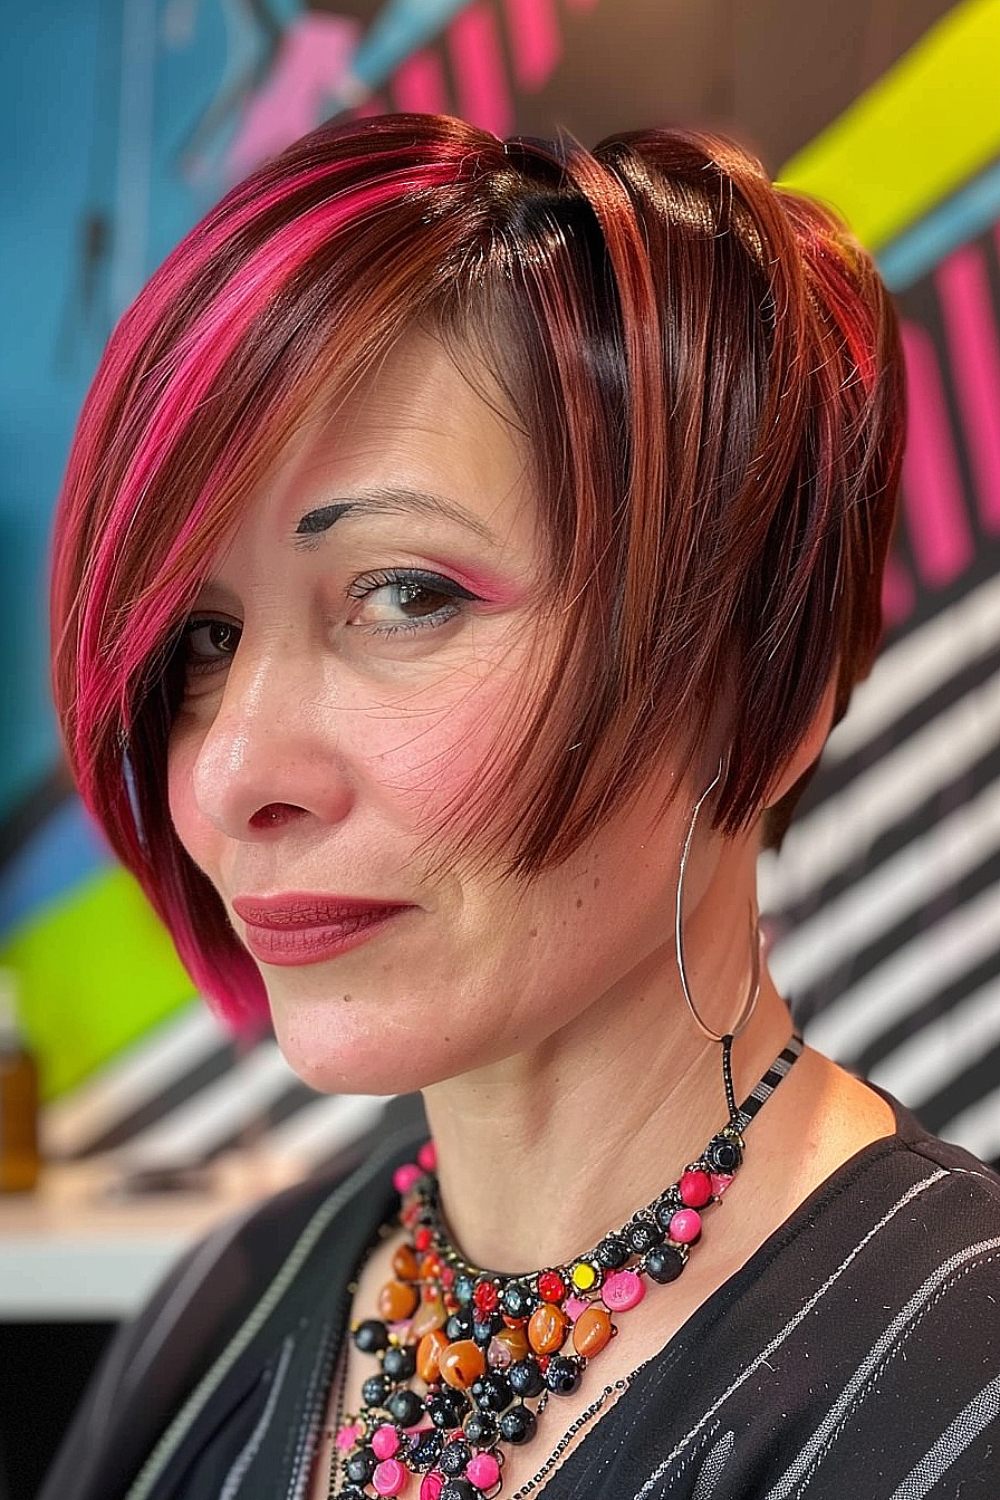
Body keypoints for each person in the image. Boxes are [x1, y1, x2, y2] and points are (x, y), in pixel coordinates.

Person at [42, 114, 998, 1500]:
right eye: (203, 639)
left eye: (406, 594)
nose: (234, 769)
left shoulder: (953, 1374)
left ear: (754, 688)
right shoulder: (211, 1328)